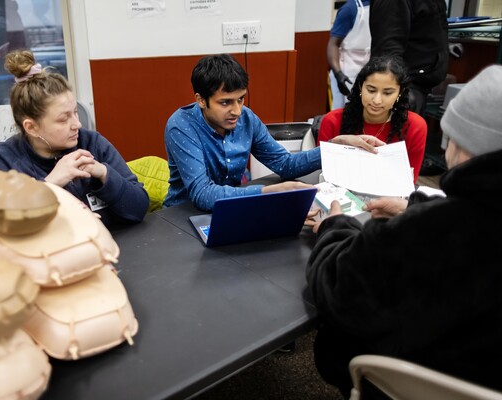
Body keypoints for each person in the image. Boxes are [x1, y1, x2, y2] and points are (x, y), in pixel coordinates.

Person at [305, 65, 502, 398]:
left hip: (413, 378)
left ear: (461, 142)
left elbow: (339, 286)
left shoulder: (427, 233)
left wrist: (333, 226)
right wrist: (414, 206)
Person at [164, 53, 385, 212]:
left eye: (241, 99)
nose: (237, 111)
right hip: (180, 217)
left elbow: (285, 164)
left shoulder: (247, 118)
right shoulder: (181, 126)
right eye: (225, 102)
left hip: (230, 208)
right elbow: (203, 195)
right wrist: (268, 192)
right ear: (201, 100)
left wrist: (333, 148)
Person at [0, 50, 149, 227]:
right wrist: (51, 183)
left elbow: (139, 208)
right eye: (63, 119)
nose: (77, 124)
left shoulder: (92, 143)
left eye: (75, 112)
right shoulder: (3, 163)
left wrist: (104, 174)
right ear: (31, 127)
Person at [318, 55, 427, 183]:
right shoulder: (332, 121)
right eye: (371, 90)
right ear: (360, 87)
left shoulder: (415, 126)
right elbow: (323, 174)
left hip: (390, 198)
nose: (377, 100)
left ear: (400, 93)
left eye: (387, 93)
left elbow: (409, 181)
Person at [369, 0, 448, 117]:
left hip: (421, 84)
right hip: (407, 87)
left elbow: (425, 28)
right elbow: (387, 50)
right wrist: (399, 90)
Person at [328, 0, 371, 110]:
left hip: (370, 62)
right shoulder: (350, 9)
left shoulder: (380, 6)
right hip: (348, 66)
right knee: (344, 111)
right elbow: (333, 44)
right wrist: (338, 74)